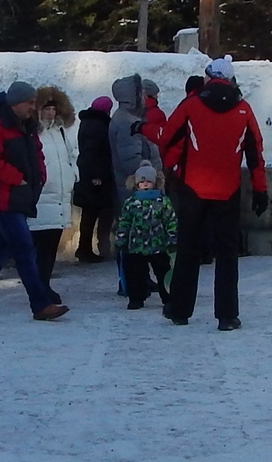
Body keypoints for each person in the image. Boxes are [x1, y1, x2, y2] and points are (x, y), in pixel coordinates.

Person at [159, 57, 267, 331]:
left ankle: (180, 310)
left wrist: (172, 167)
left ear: (208, 78)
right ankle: (227, 315)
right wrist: (260, 188)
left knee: (188, 250)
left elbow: (168, 138)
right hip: (228, 189)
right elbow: (255, 152)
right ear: (230, 80)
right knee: (227, 254)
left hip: (193, 186)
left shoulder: (192, 105)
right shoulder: (243, 108)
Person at [0, 83, 68, 321]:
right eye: (29, 103)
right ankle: (40, 304)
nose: (33, 107)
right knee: (25, 250)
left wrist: (39, 176)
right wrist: (16, 178)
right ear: (17, 103)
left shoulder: (26, 128)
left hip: (19, 198)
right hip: (5, 200)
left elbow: (37, 154)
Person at [29, 85, 80, 285]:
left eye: (53, 109)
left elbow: (70, 155)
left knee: (51, 248)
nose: (50, 113)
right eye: (46, 109)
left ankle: (44, 285)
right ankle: (39, 288)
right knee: (39, 247)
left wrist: (72, 174)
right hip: (42, 197)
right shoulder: (34, 132)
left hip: (60, 197)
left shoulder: (60, 132)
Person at [113, 158, 178, 310]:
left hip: (158, 245)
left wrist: (172, 238)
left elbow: (171, 221)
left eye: (148, 182)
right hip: (136, 245)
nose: (145, 185)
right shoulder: (131, 202)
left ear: (155, 183)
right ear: (136, 184)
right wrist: (121, 239)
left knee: (163, 272)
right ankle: (136, 298)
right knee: (134, 274)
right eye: (142, 183)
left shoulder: (162, 201)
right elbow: (124, 222)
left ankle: (168, 296)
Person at [74, 94, 118, 263]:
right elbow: (92, 153)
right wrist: (96, 176)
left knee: (89, 212)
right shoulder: (98, 126)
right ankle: (85, 249)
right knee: (93, 212)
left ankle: (84, 247)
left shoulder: (88, 122)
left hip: (89, 173)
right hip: (94, 175)